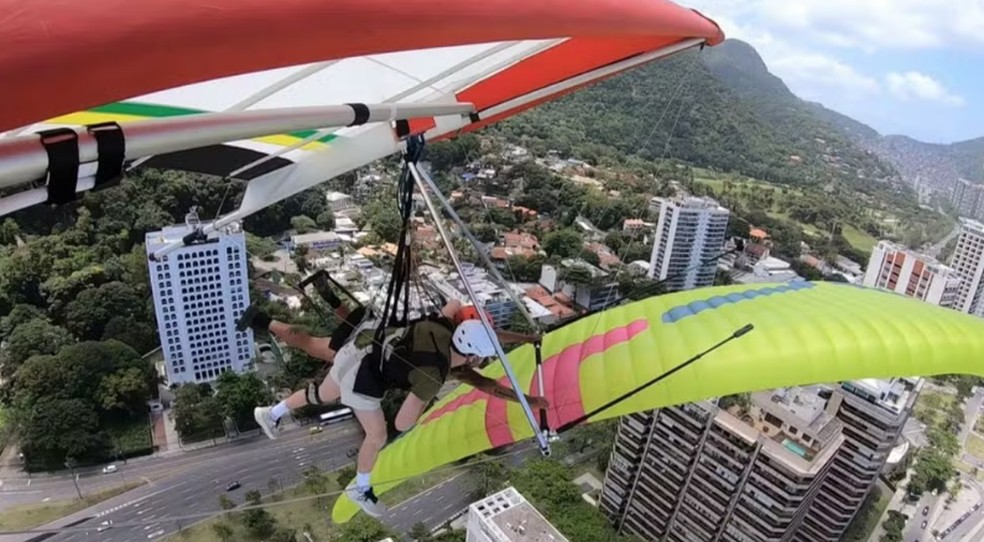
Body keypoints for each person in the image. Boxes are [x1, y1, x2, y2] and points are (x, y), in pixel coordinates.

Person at [238, 280, 547, 517]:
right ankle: (361, 489)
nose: (475, 365)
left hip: (360, 348)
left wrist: (527, 340)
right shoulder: (433, 374)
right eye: (477, 360)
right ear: (470, 357)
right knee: (377, 434)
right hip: (366, 379)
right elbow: (403, 421)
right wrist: (421, 403)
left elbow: (455, 304)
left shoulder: (443, 324)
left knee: (319, 392)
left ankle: (272, 412)